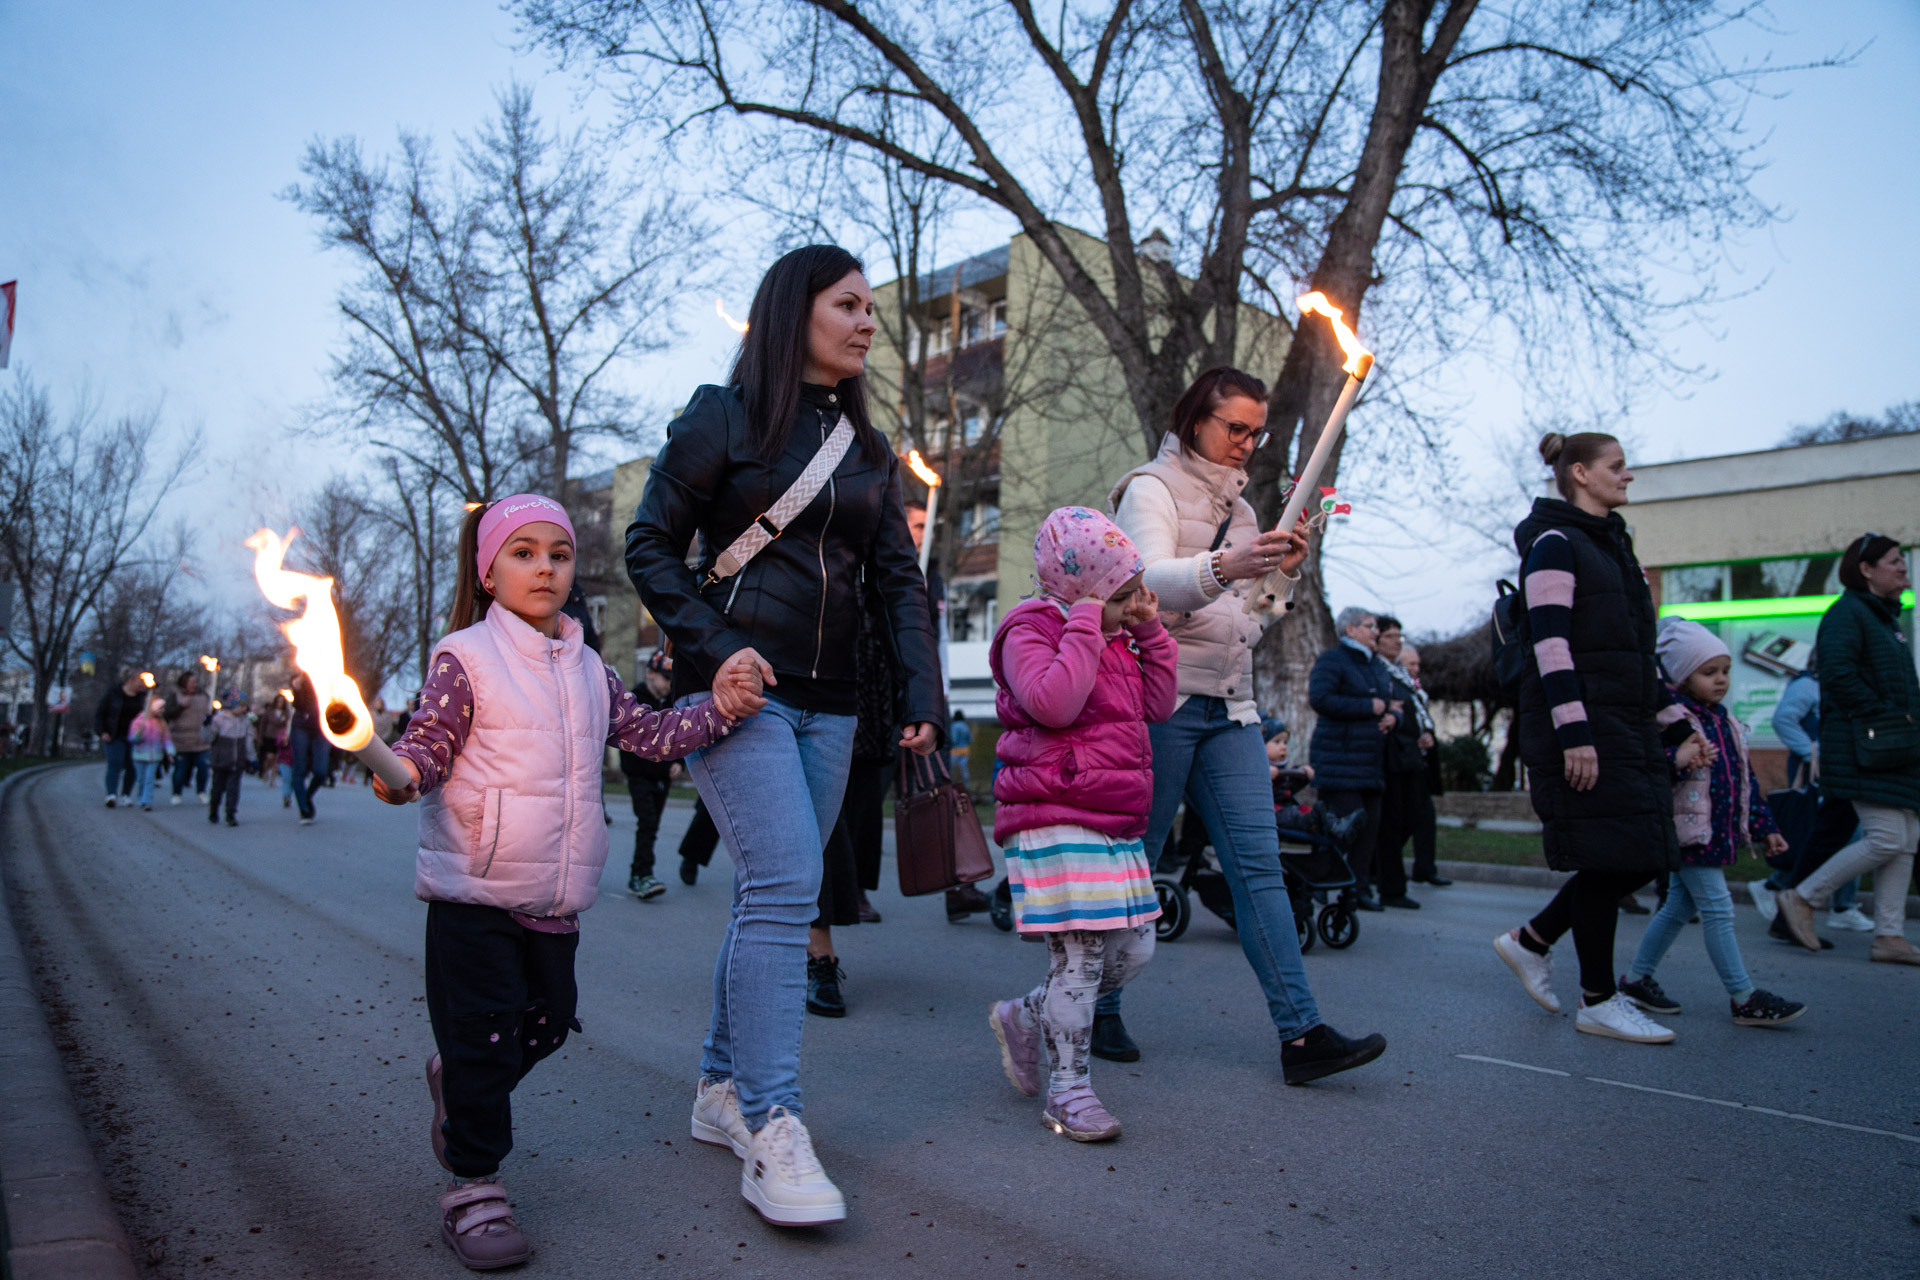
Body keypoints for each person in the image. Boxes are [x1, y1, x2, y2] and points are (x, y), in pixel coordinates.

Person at [626, 244, 943, 1226]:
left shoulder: (871, 447)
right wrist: (717, 648)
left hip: (838, 700)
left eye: (871, 309)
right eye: (848, 304)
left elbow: (898, 578)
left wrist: (921, 690)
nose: (867, 322)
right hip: (740, 696)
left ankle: (721, 1088)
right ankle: (771, 1123)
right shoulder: (720, 416)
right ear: (793, 311)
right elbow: (648, 543)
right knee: (786, 887)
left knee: (770, 891)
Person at [374, 494, 736, 1270]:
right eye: (524, 552)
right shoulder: (464, 656)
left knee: (546, 1023)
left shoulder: (589, 668)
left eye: (559, 555)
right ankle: (474, 1188)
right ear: (489, 569)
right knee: (486, 1037)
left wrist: (718, 710)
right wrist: (399, 775)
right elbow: (426, 745)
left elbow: (644, 732)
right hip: (473, 894)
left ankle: (459, 1075)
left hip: (555, 900)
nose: (545, 567)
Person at [1104, 364, 1386, 1085]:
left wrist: (1280, 577)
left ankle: (1302, 1036)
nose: (1247, 443)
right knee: (1130, 863)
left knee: (1260, 868)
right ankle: (1091, 1005)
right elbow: (1146, 582)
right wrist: (1226, 565)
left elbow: (1250, 622)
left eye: (1256, 432)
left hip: (1229, 709)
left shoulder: (1246, 508)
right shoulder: (1150, 489)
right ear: (1196, 418)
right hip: (1159, 703)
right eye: (1236, 427)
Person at [1492, 431, 1699, 1044]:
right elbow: (1551, 647)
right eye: (1617, 466)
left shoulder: (1616, 549)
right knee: (1614, 854)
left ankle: (1531, 942)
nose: (1628, 476)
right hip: (1582, 730)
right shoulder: (1555, 544)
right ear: (1579, 473)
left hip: (1623, 725)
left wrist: (1677, 721)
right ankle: (1598, 999)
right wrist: (1574, 734)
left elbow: (1633, 656)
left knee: (1637, 852)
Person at [987, 507, 1173, 1141]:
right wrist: (1089, 623)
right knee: (1082, 955)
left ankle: (1030, 1012)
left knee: (1136, 948)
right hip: (1054, 808)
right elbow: (1052, 704)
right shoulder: (1031, 627)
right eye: (1121, 597)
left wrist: (1149, 634)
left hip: (1113, 815)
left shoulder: (1119, 636)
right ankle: (1068, 1091)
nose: (1131, 607)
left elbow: (1157, 705)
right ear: (1082, 588)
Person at [1615, 620, 1806, 1025]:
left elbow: (1745, 780)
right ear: (1682, 676)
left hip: (1711, 833)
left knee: (1677, 908)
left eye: (1725, 671)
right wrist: (1677, 760)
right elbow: (1649, 769)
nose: (1721, 680)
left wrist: (1765, 827)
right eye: (1709, 672)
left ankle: (1635, 979)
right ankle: (1743, 997)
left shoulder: (1723, 719)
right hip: (1688, 833)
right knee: (1719, 909)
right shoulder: (1673, 722)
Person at [1776, 535, 1920, 964]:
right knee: (1887, 836)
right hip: (1866, 747)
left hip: (1891, 747)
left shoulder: (1882, 618)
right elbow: (1837, 677)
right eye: (1895, 562)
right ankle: (1803, 897)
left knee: (1907, 836)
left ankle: (1889, 937)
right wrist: (1888, 717)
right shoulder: (1847, 614)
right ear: (1866, 568)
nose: (1903, 570)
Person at [1750, 653, 1872, 934]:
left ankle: (1841, 905)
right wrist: (1809, 752)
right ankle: (1777, 885)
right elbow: (1783, 720)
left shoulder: (1831, 685)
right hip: (1816, 774)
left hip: (1836, 770)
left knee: (1847, 835)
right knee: (1829, 834)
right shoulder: (1807, 686)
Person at [1309, 608, 1402, 910]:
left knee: (1369, 827)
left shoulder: (1376, 664)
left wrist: (1393, 715)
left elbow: (1389, 701)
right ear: (1350, 630)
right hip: (1339, 760)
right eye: (1370, 626)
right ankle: (1318, 882)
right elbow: (1320, 698)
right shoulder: (1332, 660)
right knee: (1343, 825)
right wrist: (1368, 706)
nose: (1376, 631)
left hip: (1371, 762)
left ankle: (1358, 889)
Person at [1367, 614, 1429, 907]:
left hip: (1408, 754)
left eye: (1399, 637)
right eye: (1391, 636)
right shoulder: (1376, 669)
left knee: (1412, 817)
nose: (1397, 642)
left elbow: (1410, 708)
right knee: (1392, 821)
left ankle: (1372, 871)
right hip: (1388, 754)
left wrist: (1424, 731)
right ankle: (1391, 888)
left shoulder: (1399, 673)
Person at [619, 649, 679, 901]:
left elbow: (678, 736)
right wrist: (661, 766)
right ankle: (641, 874)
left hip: (662, 779)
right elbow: (631, 746)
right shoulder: (635, 702)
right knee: (647, 822)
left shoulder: (672, 704)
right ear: (651, 673)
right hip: (640, 776)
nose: (669, 685)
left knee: (652, 827)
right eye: (666, 678)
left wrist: (678, 763)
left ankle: (640, 873)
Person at [1398, 645, 1448, 885]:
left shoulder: (1418, 693)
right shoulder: (1398, 688)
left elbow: (1423, 720)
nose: (1416, 669)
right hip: (1403, 761)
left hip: (1420, 762)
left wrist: (1428, 734)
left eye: (1417, 665)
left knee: (1425, 816)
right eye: (1411, 664)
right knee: (1407, 818)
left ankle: (1425, 867)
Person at [95, 671, 146, 806]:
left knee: (132, 765)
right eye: (139, 680)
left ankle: (126, 794)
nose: (142, 684)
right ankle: (111, 794)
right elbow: (100, 714)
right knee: (115, 763)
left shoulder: (144, 697)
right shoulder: (113, 694)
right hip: (114, 735)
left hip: (135, 737)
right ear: (130, 680)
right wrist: (101, 731)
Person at [163, 670, 213, 805]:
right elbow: (167, 714)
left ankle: (201, 792)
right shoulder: (175, 696)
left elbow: (210, 713)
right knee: (181, 769)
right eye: (192, 682)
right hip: (182, 740)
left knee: (203, 766)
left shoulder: (204, 696)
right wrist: (180, 707)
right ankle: (176, 793)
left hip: (201, 740)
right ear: (184, 683)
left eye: (196, 682)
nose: (194, 684)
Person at [206, 691, 253, 827]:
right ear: (232, 705)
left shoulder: (245, 722)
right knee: (217, 788)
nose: (245, 709)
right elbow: (208, 738)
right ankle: (213, 810)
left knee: (233, 788)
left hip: (237, 761)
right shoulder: (219, 719)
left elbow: (249, 742)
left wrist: (251, 758)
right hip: (221, 760)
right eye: (241, 706)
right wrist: (207, 725)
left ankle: (230, 813)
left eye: (245, 706)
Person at [286, 673, 328, 825]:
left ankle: (306, 796)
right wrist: (296, 688)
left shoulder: (331, 677)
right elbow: (297, 704)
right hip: (301, 726)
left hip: (322, 728)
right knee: (300, 768)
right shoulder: (302, 677)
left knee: (321, 771)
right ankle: (304, 809)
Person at [128, 697, 171, 811]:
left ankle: (147, 801)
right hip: (139, 755)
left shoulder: (161, 723)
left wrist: (170, 752)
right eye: (160, 708)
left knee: (149, 778)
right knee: (141, 779)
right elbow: (132, 739)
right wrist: (138, 735)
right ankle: (141, 797)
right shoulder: (138, 721)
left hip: (155, 756)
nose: (162, 710)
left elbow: (166, 739)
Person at [948, 708, 973, 788]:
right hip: (965, 750)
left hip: (955, 751)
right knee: (964, 770)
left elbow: (953, 739)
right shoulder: (965, 726)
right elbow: (970, 739)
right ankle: (966, 787)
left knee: (951, 770)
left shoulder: (954, 726)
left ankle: (950, 786)